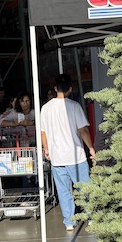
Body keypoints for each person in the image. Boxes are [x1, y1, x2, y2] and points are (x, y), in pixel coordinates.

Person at [39, 74, 96, 231]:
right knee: (84, 188)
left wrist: (46, 149)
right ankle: (91, 216)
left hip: (57, 158)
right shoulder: (74, 106)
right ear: (71, 88)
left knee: (64, 191)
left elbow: (43, 132)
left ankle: (69, 222)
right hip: (75, 155)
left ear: (55, 88)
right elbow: (83, 130)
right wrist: (91, 149)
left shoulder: (45, 108)